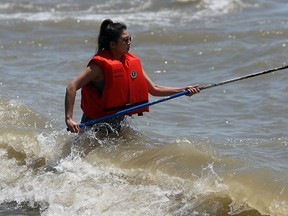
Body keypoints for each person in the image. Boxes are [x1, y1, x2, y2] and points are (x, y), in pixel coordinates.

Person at [65, 19, 200, 133]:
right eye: (125, 40)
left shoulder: (130, 62)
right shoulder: (98, 67)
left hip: (117, 123)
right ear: (112, 44)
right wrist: (69, 118)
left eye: (130, 38)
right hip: (93, 126)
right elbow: (72, 87)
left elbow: (154, 89)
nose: (129, 42)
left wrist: (183, 90)